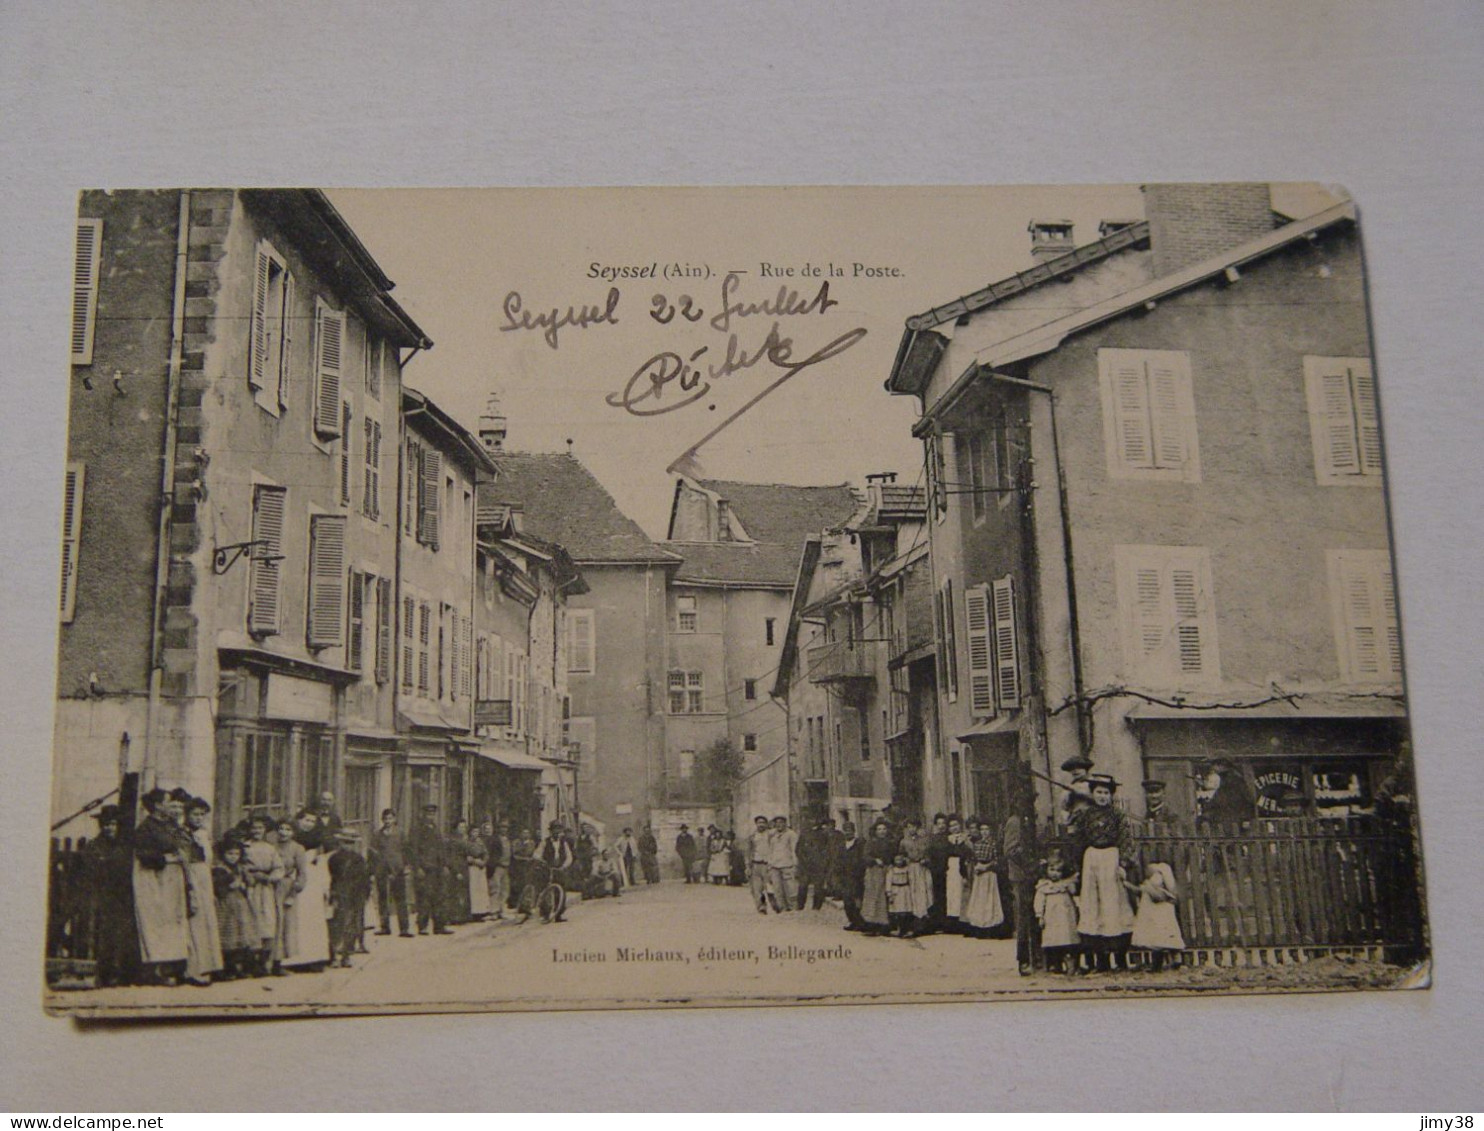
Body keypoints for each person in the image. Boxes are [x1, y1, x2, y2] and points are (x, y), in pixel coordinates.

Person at [1069, 773, 1137, 972]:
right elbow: (1079, 841)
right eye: (1098, 792)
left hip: (1111, 858)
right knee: (1093, 905)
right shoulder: (1085, 815)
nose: (1102, 796)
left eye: (1106, 793)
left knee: (1113, 904)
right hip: (1091, 860)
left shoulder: (1118, 815)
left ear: (1111, 795)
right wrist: (1078, 865)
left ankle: (1120, 958)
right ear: (1092, 793)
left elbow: (1125, 838)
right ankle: (1101, 960)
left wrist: (1123, 862)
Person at [130, 787, 190, 986]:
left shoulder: (170, 825)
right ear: (157, 806)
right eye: (167, 801)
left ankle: (172, 967)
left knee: (173, 921)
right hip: (153, 879)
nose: (170, 805)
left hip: (172, 880)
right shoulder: (145, 828)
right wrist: (168, 858)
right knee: (155, 921)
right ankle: (153, 970)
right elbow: (143, 855)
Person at [82, 804, 137, 987]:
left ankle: (124, 973)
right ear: (101, 826)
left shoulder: (125, 846)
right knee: (106, 935)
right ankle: (106, 974)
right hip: (105, 896)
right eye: (106, 824)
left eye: (113, 824)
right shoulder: (94, 846)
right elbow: (91, 872)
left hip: (125, 896)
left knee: (125, 934)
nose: (109, 828)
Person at [282, 810, 332, 970]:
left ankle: (315, 958)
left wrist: (325, 885)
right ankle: (293, 959)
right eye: (305, 820)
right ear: (298, 820)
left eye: (312, 821)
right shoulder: (291, 839)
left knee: (313, 918)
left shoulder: (318, 841)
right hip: (295, 879)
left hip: (313, 881)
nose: (308, 824)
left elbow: (322, 862)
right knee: (296, 918)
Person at [181, 796, 223, 985]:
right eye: (195, 814)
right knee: (194, 924)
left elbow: (208, 861)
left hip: (205, 879)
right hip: (192, 878)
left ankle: (209, 966)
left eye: (202, 815)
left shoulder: (204, 834)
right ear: (187, 815)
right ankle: (193, 969)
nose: (198, 818)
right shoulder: (182, 834)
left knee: (207, 923)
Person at [240, 813, 283, 974]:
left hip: (266, 889)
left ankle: (264, 962)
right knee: (251, 921)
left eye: (260, 828)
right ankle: (250, 963)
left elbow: (279, 868)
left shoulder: (270, 848)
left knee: (267, 922)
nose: (257, 831)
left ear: (265, 830)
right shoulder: (245, 847)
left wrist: (269, 878)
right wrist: (250, 875)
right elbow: (240, 865)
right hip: (251, 887)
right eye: (254, 828)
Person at [1002, 792, 1039, 974]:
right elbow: (1010, 849)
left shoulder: (1030, 820)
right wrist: (1029, 865)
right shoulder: (1015, 822)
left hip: (1032, 874)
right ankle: (1023, 959)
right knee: (1024, 918)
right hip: (1021, 875)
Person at [212, 837, 259, 980]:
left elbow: (249, 882)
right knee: (228, 935)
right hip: (226, 905)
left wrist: (245, 883)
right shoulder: (219, 869)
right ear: (223, 854)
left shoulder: (240, 868)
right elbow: (218, 889)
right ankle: (227, 969)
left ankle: (240, 967)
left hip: (240, 904)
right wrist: (229, 885)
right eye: (230, 854)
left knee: (242, 934)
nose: (233, 857)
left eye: (236, 854)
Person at [327, 829, 372, 967]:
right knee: (337, 925)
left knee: (351, 925)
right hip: (340, 893)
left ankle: (346, 955)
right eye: (345, 843)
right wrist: (333, 894)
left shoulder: (359, 859)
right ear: (340, 843)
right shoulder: (334, 859)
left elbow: (365, 878)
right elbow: (332, 878)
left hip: (356, 895)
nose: (348, 846)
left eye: (351, 843)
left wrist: (365, 894)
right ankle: (334, 955)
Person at [408, 803, 453, 935]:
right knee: (424, 898)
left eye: (432, 814)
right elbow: (413, 850)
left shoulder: (435, 828)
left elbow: (441, 849)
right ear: (423, 814)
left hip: (437, 868)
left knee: (439, 897)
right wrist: (417, 868)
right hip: (425, 868)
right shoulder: (417, 829)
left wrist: (444, 865)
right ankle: (422, 926)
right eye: (428, 814)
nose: (430, 816)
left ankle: (439, 926)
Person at [1130, 861, 1184, 971]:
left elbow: (1158, 896)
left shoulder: (1158, 878)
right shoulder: (1153, 880)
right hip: (1155, 911)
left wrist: (1148, 886)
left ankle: (1165, 963)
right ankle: (1169, 962)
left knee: (1161, 935)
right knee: (1160, 935)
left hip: (1160, 910)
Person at [1034, 852, 1081, 975]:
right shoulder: (1044, 886)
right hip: (1051, 918)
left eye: (1058, 871)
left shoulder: (1066, 884)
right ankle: (1056, 964)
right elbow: (1039, 902)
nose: (1054, 873)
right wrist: (1040, 916)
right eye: (1052, 869)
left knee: (1067, 938)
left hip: (1066, 917)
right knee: (1053, 940)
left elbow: (1075, 897)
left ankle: (1071, 963)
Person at [368, 809, 413, 938]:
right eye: (386, 819)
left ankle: (404, 928)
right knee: (383, 898)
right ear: (382, 820)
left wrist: (406, 866)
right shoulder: (377, 835)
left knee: (400, 899)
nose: (388, 821)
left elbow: (407, 851)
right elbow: (372, 853)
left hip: (397, 869)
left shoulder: (401, 834)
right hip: (381, 870)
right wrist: (372, 871)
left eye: (390, 819)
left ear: (394, 819)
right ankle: (384, 927)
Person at [962, 818, 1005, 939]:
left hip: (989, 874)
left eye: (987, 829)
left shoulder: (994, 844)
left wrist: (986, 866)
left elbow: (997, 861)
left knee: (990, 900)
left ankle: (991, 928)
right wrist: (976, 866)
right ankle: (980, 928)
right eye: (982, 829)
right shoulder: (977, 844)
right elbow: (973, 859)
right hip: (979, 874)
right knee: (979, 900)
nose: (984, 832)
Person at [858, 819, 894, 935]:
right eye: (879, 829)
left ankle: (885, 925)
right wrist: (874, 860)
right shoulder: (871, 843)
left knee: (885, 897)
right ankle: (871, 924)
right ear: (875, 831)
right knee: (873, 897)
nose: (882, 831)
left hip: (887, 871)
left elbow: (894, 856)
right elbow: (865, 857)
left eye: (884, 829)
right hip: (874, 872)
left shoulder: (890, 842)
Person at [898, 818, 933, 935]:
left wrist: (925, 860)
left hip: (922, 869)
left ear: (917, 828)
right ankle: (911, 925)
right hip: (910, 869)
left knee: (923, 894)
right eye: (909, 827)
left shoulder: (924, 841)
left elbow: (929, 855)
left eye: (914, 827)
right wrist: (905, 860)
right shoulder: (903, 842)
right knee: (911, 894)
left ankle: (923, 924)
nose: (912, 829)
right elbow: (900, 856)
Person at [941, 816, 970, 934]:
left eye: (956, 825)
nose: (954, 828)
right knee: (952, 894)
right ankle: (953, 922)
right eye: (952, 826)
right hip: (951, 867)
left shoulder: (965, 838)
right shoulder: (947, 840)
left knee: (961, 893)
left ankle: (963, 921)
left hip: (962, 865)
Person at [766, 815, 799, 912]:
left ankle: (792, 908)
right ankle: (782, 909)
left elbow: (794, 850)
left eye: (781, 822)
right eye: (777, 823)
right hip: (775, 866)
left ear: (785, 823)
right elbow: (770, 851)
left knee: (790, 889)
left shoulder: (791, 834)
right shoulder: (773, 836)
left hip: (787, 865)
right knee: (777, 889)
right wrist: (769, 865)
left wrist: (795, 865)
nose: (779, 824)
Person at [838, 822, 868, 931]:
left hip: (857, 876)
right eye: (846, 830)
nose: (848, 832)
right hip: (845, 877)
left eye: (850, 830)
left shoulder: (860, 843)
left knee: (858, 900)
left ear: (854, 831)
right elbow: (838, 861)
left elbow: (863, 859)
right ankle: (852, 921)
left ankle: (861, 922)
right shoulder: (841, 845)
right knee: (847, 900)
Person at [794, 818, 829, 911]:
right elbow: (798, 849)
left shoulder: (824, 835)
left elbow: (828, 850)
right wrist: (803, 860)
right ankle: (800, 906)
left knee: (818, 887)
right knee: (802, 886)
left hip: (819, 866)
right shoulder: (804, 835)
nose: (814, 824)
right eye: (812, 822)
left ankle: (816, 907)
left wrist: (823, 862)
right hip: (805, 866)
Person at [446, 818, 475, 924]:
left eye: (464, 827)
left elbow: (471, 851)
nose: (463, 829)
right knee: (456, 892)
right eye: (461, 827)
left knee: (463, 891)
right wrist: (456, 871)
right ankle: (455, 917)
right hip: (457, 868)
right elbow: (452, 858)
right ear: (456, 828)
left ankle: (463, 916)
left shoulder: (463, 839)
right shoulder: (453, 840)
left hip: (464, 867)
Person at [925, 813, 951, 933]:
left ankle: (950, 923)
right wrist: (931, 867)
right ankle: (939, 923)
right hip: (937, 872)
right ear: (936, 825)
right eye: (939, 823)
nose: (941, 826)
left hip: (950, 871)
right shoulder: (933, 839)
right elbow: (929, 854)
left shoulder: (950, 837)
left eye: (943, 823)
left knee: (950, 897)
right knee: (938, 896)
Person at [743, 816, 772, 914]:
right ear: (756, 824)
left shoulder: (771, 835)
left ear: (766, 824)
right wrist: (747, 866)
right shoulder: (752, 837)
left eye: (763, 822)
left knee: (771, 888)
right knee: (757, 889)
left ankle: (777, 907)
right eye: (759, 822)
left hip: (768, 865)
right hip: (756, 864)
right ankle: (761, 907)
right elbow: (747, 852)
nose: (761, 824)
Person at [485, 819, 511, 919]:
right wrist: (493, 864)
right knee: (495, 888)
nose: (504, 829)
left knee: (504, 890)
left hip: (506, 866)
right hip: (497, 867)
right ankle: (493, 911)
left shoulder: (507, 839)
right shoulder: (494, 839)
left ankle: (501, 909)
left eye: (506, 827)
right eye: (502, 827)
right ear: (498, 828)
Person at [886, 852, 915, 937]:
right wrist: (889, 893)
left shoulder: (907, 869)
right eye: (897, 860)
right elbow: (888, 882)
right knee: (896, 912)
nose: (899, 862)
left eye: (900, 859)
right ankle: (898, 929)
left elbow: (911, 880)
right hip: (896, 891)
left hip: (905, 891)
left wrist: (911, 891)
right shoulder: (891, 870)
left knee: (905, 911)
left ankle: (906, 929)